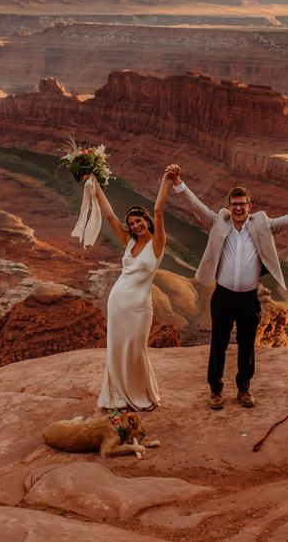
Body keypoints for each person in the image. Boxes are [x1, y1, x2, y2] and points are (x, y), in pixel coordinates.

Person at [165, 164, 288, 410]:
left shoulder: (262, 224)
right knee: (218, 344)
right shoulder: (218, 222)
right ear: (229, 207)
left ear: (250, 206)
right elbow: (195, 206)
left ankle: (244, 389)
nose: (238, 208)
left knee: (247, 346)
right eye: (234, 204)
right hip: (223, 296)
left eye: (242, 204)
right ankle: (216, 390)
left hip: (248, 299)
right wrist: (178, 183)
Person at [93, 169, 174, 411]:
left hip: (139, 306)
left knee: (136, 349)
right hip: (118, 302)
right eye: (131, 223)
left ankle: (139, 395)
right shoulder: (128, 241)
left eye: (139, 221)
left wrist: (165, 181)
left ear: (146, 221)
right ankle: (117, 395)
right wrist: (93, 182)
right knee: (117, 348)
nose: (135, 225)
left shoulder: (157, 243)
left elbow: (159, 211)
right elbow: (109, 215)